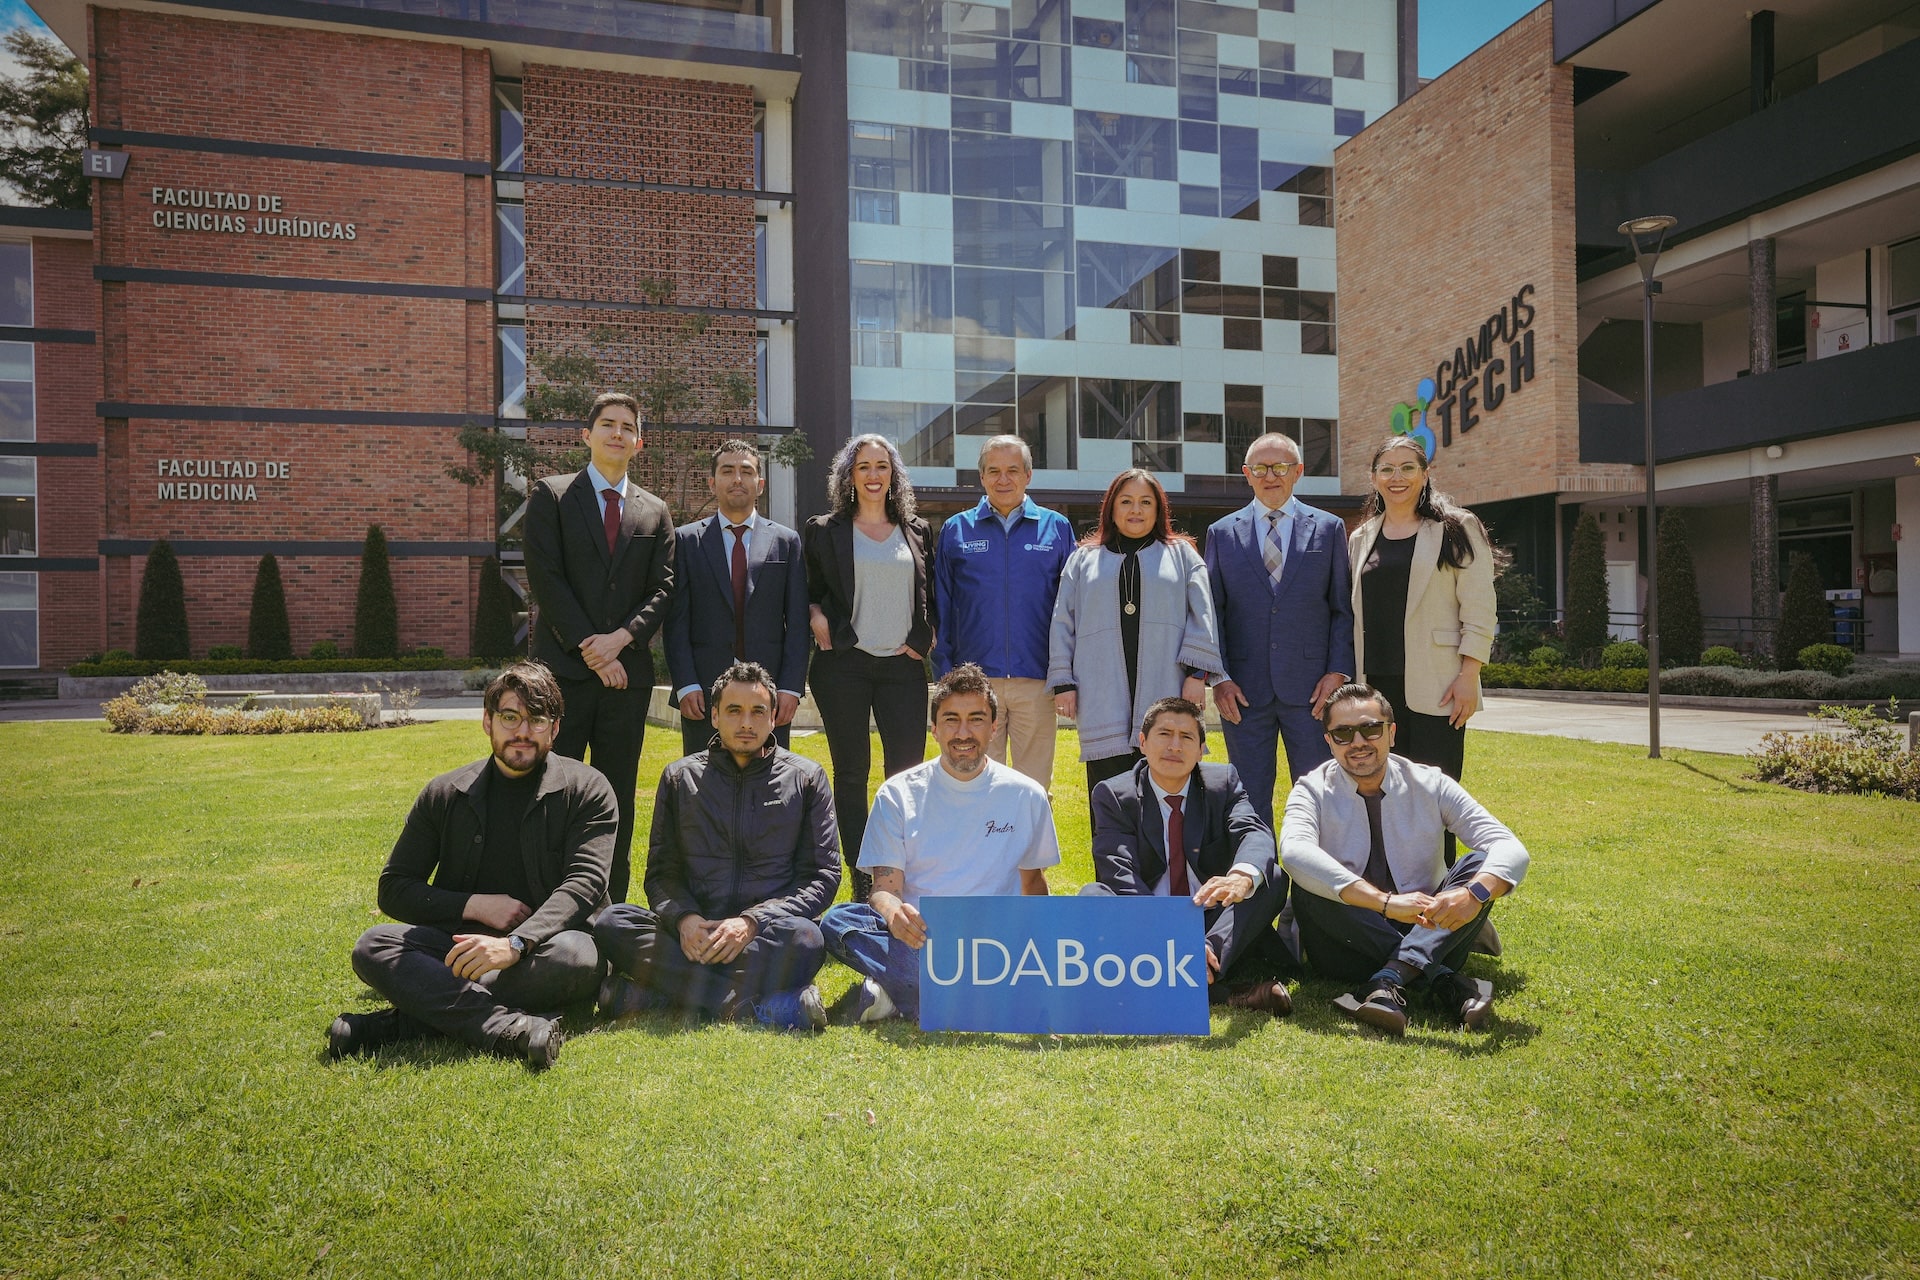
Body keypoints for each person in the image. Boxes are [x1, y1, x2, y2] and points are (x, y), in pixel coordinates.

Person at [327, 662, 611, 1069]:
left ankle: (405, 1021)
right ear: (487, 721)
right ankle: (506, 1028)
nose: (523, 732)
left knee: (578, 957)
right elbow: (394, 888)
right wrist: (476, 906)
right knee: (374, 945)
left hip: (547, 946)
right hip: (461, 949)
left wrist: (516, 943)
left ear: (556, 729)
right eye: (510, 717)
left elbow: (585, 884)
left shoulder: (587, 789)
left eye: (537, 720)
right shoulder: (445, 793)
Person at [592, 662, 840, 1031]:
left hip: (765, 934)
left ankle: (666, 994)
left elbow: (823, 876)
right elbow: (661, 874)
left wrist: (751, 922)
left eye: (758, 712)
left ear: (774, 718)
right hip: (694, 933)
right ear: (714, 716)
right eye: (734, 711)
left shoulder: (805, 777)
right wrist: (685, 919)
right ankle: (744, 1004)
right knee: (613, 921)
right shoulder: (680, 777)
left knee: (807, 940)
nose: (746, 723)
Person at [1280, 683, 1529, 1035]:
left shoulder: (1429, 782)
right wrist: (1385, 904)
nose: (1358, 742)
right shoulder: (1311, 789)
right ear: (1329, 742)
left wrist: (1475, 895)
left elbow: (1509, 847)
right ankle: (1443, 980)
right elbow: (1293, 851)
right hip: (1347, 943)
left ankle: (1386, 981)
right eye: (1343, 733)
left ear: (1391, 732)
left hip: (1430, 927)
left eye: (1370, 728)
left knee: (1480, 864)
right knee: (1311, 883)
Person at [819, 663, 1059, 1023]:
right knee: (839, 920)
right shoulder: (898, 793)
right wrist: (893, 914)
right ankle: (963, 993)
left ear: (995, 727)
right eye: (951, 720)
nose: (964, 733)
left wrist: (1039, 958)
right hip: (919, 939)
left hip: (993, 942)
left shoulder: (1027, 795)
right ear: (934, 729)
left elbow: (1033, 886)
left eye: (976, 719)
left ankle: (902, 991)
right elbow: (885, 888)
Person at [523, 390, 675, 903]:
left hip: (625, 681)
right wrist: (592, 650)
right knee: (552, 791)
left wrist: (620, 641)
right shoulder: (552, 495)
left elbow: (664, 588)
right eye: (607, 424)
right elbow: (546, 578)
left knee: (616, 795)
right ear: (586, 436)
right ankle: (548, 901)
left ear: (639, 441)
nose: (617, 433)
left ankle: (610, 905)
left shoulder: (655, 511)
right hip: (562, 675)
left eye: (626, 426)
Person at [1085, 697, 1292, 1015]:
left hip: (1211, 917)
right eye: (1164, 734)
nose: (1175, 746)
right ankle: (1223, 991)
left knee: (1269, 878)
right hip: (1145, 915)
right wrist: (1170, 937)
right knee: (1093, 895)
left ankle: (1204, 957)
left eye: (1186, 738)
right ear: (1143, 742)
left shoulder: (1222, 783)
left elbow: (1254, 832)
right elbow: (1118, 871)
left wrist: (1239, 876)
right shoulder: (1114, 794)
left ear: (1201, 750)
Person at [802, 433, 936, 901]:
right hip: (845, 664)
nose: (874, 475)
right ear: (849, 476)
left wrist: (925, 640)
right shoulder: (823, 529)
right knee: (852, 773)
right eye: (864, 467)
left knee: (905, 774)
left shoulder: (917, 530)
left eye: (882, 466)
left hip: (902, 666)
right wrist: (815, 615)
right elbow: (809, 590)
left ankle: (900, 871)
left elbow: (931, 594)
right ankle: (863, 882)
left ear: (893, 475)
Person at [1204, 431, 1354, 828]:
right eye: (1260, 468)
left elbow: (1342, 608)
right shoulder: (1221, 533)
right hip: (1242, 693)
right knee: (1249, 796)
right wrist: (1220, 677)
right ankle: (1260, 882)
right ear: (1246, 474)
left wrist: (1337, 672)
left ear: (1298, 471)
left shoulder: (1329, 528)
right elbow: (1212, 612)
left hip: (1312, 691)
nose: (1271, 476)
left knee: (1321, 792)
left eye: (1281, 466)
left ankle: (1318, 884)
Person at [1049, 468, 1222, 802]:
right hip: (1101, 690)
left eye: (1145, 502)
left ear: (1159, 510)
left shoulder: (1182, 554)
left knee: (1167, 784)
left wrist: (1196, 674)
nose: (1135, 510)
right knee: (1109, 792)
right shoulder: (1083, 559)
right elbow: (1062, 621)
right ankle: (1112, 855)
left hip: (1167, 683)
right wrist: (1064, 683)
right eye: (1126, 501)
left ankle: (1166, 854)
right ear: (1111, 509)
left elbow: (1202, 615)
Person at [1347, 434, 1498, 784]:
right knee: (1381, 788)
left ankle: (1437, 844)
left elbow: (1479, 609)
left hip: (1439, 684)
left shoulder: (1457, 527)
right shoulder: (1360, 538)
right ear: (1373, 478)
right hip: (1375, 688)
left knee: (1435, 792)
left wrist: (1468, 677)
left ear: (1425, 474)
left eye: (1407, 468)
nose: (1396, 477)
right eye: (1386, 469)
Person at [931, 434, 1073, 790]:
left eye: (1012, 470)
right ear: (981, 477)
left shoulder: (1056, 529)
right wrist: (946, 677)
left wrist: (1066, 674)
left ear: (1028, 475)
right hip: (975, 684)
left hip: (1037, 680)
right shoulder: (956, 530)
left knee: (1034, 788)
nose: (1003, 479)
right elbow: (943, 607)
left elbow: (1072, 608)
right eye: (993, 471)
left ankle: (1028, 849)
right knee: (975, 784)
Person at [664, 440, 810, 757]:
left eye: (746, 471)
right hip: (703, 691)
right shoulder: (686, 541)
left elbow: (798, 623)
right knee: (703, 784)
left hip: (768, 691)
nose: (737, 479)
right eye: (727, 471)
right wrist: (686, 683)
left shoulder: (786, 542)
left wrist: (790, 689)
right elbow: (677, 620)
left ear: (760, 484)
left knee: (768, 785)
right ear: (712, 482)